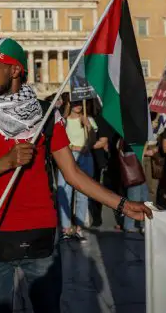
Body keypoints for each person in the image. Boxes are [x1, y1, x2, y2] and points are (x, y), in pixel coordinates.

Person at [0, 38, 152, 313]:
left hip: (41, 241)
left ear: (16, 70)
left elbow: (73, 174)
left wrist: (123, 205)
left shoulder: (47, 116)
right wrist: (5, 162)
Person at [59, 100, 97, 241]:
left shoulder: (88, 119)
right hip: (67, 157)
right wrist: (72, 147)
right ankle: (66, 228)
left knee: (83, 192)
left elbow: (92, 140)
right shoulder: (64, 121)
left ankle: (79, 227)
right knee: (64, 192)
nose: (78, 106)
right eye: (75, 102)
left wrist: (89, 127)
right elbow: (59, 138)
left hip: (84, 156)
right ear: (69, 104)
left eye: (81, 103)